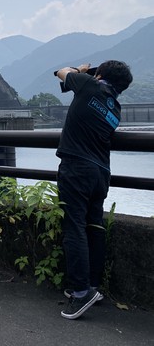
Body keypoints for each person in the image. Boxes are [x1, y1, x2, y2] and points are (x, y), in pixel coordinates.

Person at [55, 60, 132, 320]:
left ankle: (80, 293)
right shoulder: (116, 109)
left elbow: (60, 73)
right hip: (101, 173)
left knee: (73, 227)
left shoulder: (88, 84)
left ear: (99, 75)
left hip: (77, 168)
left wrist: (81, 68)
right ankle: (92, 287)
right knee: (94, 226)